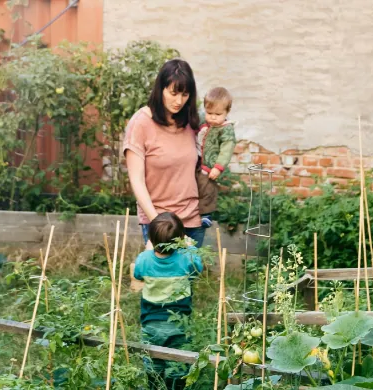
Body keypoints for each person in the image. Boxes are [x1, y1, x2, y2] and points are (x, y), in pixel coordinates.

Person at [123, 58, 206, 248]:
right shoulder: (141, 123)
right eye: (173, 93)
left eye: (185, 95)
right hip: (159, 222)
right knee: (162, 278)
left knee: (190, 278)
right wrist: (158, 222)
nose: (179, 101)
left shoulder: (190, 123)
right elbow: (137, 180)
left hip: (192, 220)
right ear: (161, 88)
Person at [133, 212, 203, 390]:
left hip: (150, 322)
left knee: (153, 359)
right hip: (179, 322)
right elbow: (198, 268)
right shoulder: (186, 259)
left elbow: (137, 274)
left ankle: (154, 385)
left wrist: (149, 250)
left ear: (151, 238)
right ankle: (176, 385)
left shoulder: (144, 259)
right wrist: (189, 247)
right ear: (180, 238)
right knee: (178, 361)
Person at [195, 87, 237, 228]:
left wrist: (218, 167)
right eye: (209, 113)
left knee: (208, 189)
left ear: (227, 112)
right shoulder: (204, 120)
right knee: (195, 186)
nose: (212, 117)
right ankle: (194, 210)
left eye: (218, 114)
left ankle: (206, 214)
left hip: (210, 166)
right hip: (197, 161)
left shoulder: (226, 130)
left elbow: (226, 150)